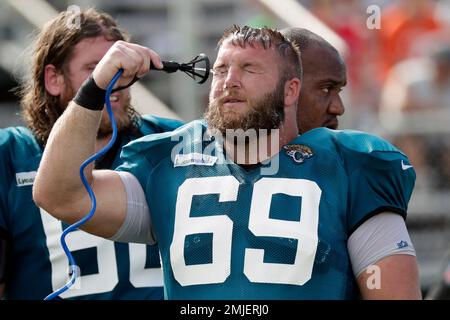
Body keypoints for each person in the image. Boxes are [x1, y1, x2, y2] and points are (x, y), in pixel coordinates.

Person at [34, 25, 421, 299]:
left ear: (290, 90)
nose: (229, 81)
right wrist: (95, 87)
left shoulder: (350, 164)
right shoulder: (168, 163)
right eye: (221, 69)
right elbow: (59, 193)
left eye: (249, 69)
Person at [0, 9, 183, 300]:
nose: (114, 81)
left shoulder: (171, 142)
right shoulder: (9, 155)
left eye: (118, 67)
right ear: (54, 79)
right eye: (95, 69)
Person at [280, 27, 346, 133]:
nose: (339, 108)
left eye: (339, 91)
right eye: (326, 89)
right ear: (286, 90)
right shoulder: (249, 146)